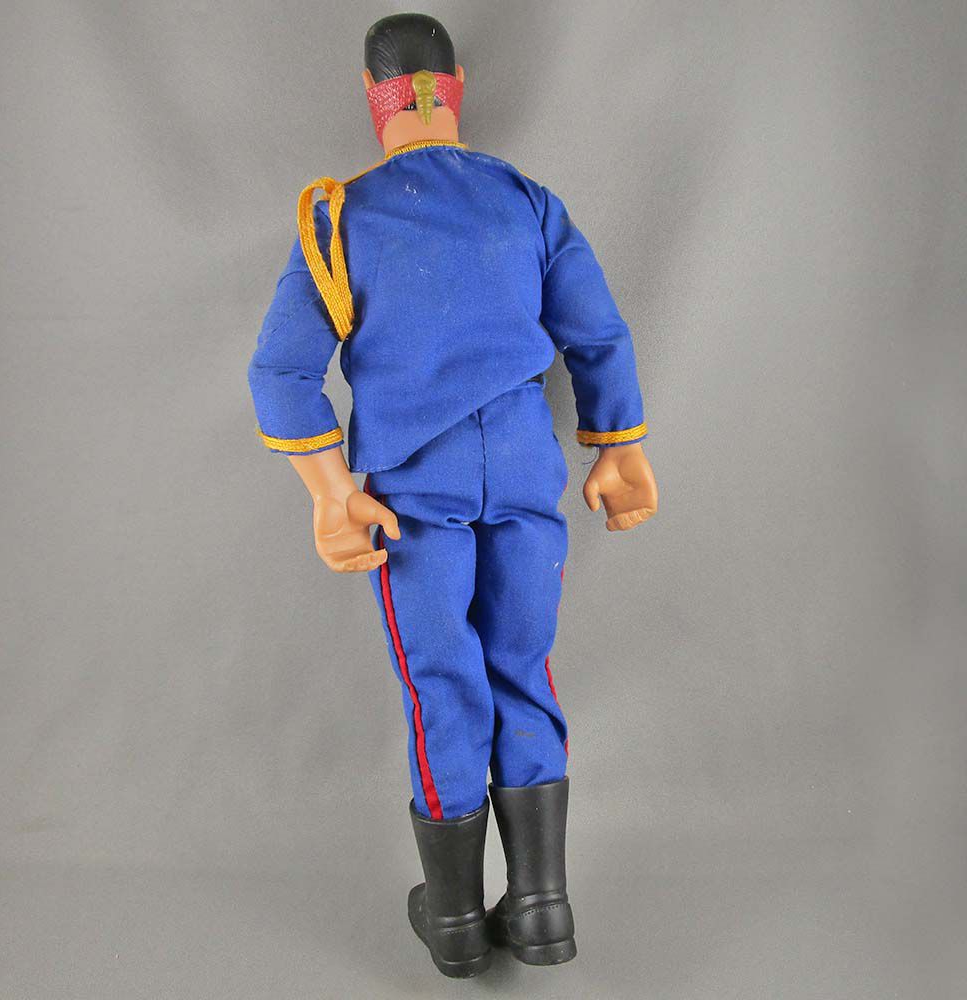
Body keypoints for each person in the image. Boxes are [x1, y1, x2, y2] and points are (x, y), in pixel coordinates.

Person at [247, 12, 658, 978]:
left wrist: (330, 492)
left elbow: (282, 372)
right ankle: (543, 906)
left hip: (412, 494)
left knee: (445, 683)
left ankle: (456, 914)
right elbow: (599, 336)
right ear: (457, 83)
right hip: (523, 478)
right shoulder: (527, 201)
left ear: (373, 95)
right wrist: (620, 448)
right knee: (524, 669)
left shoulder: (344, 217)